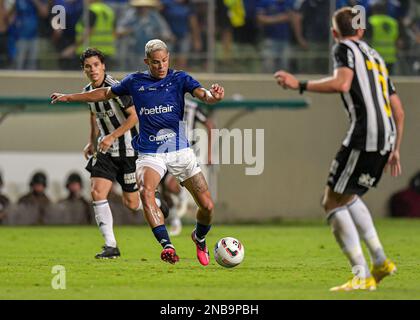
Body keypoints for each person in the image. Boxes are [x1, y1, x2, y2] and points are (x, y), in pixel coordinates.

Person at [51, 39, 225, 266]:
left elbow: (202, 94)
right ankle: (167, 246)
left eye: (164, 61)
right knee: (146, 192)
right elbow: (104, 94)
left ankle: (199, 237)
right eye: (155, 62)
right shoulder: (134, 81)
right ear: (147, 62)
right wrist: (68, 97)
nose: (161, 66)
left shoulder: (180, 78)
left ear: (168, 58)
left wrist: (214, 96)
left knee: (207, 206)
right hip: (150, 153)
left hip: (180, 151)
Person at [274, 7, 405, 291]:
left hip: (364, 135)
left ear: (335, 33)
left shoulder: (343, 48)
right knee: (348, 195)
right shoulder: (377, 57)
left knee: (331, 201)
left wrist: (300, 84)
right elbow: (398, 110)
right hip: (385, 138)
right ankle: (380, 261)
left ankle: (361, 274)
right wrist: (395, 147)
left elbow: (342, 82)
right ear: (361, 30)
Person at [53, 48, 167, 259]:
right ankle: (111, 245)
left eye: (96, 65)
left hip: (129, 150)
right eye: (88, 66)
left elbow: (134, 118)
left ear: (103, 66)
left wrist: (112, 136)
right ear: (84, 70)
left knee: (132, 204)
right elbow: (95, 116)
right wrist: (91, 140)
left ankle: (156, 203)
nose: (93, 69)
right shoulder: (88, 91)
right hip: (105, 150)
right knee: (97, 192)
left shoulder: (117, 88)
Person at [165, 98, 215, 236]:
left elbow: (210, 124)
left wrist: (209, 153)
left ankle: (182, 194)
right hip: (165, 150)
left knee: (170, 186)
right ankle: (175, 221)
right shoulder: (165, 102)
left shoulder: (192, 107)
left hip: (186, 151)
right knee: (164, 189)